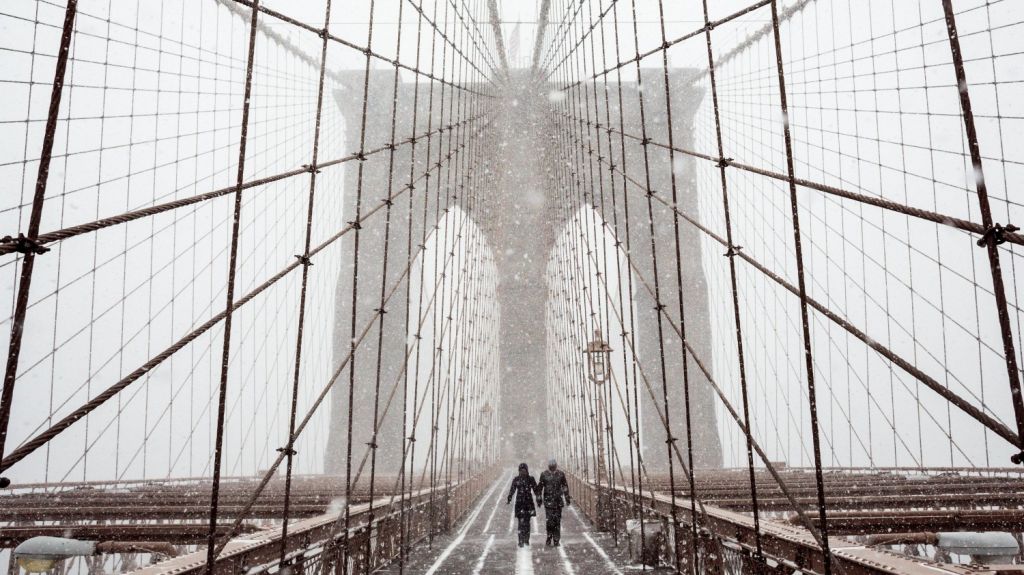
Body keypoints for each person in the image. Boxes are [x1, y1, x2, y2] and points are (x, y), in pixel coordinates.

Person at [536, 458, 571, 546]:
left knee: (557, 521)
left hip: (558, 502)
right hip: (548, 502)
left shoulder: (561, 474)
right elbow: (540, 488)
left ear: (555, 466)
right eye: (551, 467)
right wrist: (539, 499)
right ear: (549, 466)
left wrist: (567, 498)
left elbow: (565, 487)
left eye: (553, 467)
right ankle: (549, 536)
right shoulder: (544, 475)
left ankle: (556, 539)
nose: (552, 469)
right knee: (549, 521)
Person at [507, 462, 538, 547]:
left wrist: (539, 498)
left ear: (527, 471)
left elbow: (535, 490)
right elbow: (512, 489)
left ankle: (526, 540)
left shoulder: (530, 479)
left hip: (528, 504)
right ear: (519, 471)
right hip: (520, 504)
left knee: (527, 523)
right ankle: (521, 540)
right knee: (521, 523)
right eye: (521, 470)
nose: (523, 472)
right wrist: (509, 497)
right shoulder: (516, 479)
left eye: (524, 470)